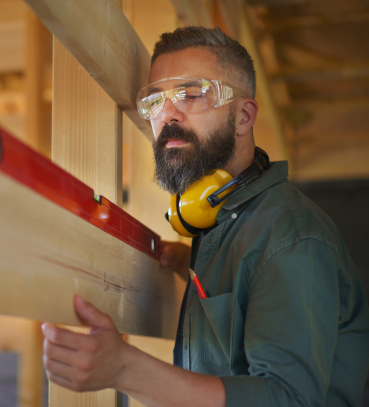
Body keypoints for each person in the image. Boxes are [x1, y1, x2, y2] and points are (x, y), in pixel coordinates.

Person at [41, 26, 369, 406]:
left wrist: (123, 369)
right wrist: (186, 265)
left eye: (192, 95)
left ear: (244, 116)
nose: (167, 114)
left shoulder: (290, 238)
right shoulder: (226, 223)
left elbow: (289, 399)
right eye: (154, 101)